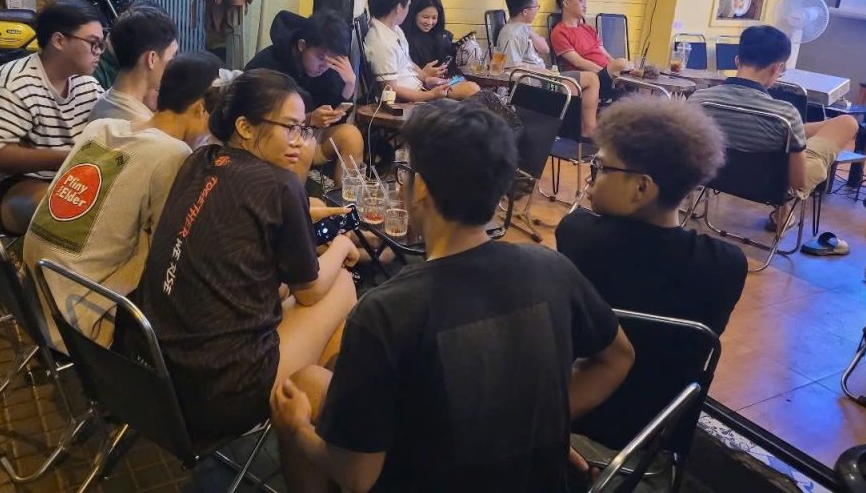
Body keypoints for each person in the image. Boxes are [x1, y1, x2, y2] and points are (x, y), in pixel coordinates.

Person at [271, 102, 635, 493]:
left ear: (421, 188)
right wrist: (542, 423)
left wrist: (296, 428)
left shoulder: (385, 311)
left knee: (306, 388)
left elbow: (356, 477)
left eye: (406, 172)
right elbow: (618, 358)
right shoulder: (553, 268)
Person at [135, 69, 358, 441]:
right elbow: (310, 291)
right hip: (220, 393)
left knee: (288, 293)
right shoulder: (281, 185)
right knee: (343, 284)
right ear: (245, 127)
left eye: (303, 129)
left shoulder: (200, 160)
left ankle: (314, 400)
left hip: (152, 374)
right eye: (290, 127)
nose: (300, 142)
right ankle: (320, 415)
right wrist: (343, 246)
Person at [556, 95, 747, 451]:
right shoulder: (727, 263)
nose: (591, 181)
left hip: (577, 418)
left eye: (601, 168)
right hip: (656, 438)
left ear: (641, 187)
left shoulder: (577, 233)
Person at [24, 51, 223, 350]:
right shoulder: (173, 153)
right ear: (200, 109)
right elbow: (170, 250)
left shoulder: (101, 127)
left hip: (30, 296)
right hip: (77, 321)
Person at [688, 25, 859, 254]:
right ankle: (785, 207)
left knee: (802, 132)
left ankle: (796, 144)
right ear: (776, 68)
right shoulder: (785, 114)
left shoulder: (699, 100)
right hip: (772, 183)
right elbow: (797, 182)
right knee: (847, 123)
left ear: (738, 60)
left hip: (714, 174)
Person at [0, 0, 105, 235]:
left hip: (67, 177)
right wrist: (65, 159)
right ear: (59, 41)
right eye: (93, 43)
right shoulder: (10, 86)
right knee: (73, 212)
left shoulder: (86, 83)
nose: (99, 52)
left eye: (101, 44)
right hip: (10, 185)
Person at [246, 9, 364, 186]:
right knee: (304, 145)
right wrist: (308, 119)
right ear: (302, 45)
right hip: (272, 133)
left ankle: (344, 199)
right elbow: (259, 119)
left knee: (351, 136)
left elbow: (335, 121)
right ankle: (294, 199)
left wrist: (349, 85)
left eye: (332, 60)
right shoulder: (268, 64)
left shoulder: (328, 68)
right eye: (320, 58)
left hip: (307, 131)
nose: (324, 66)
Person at [498, 0, 603, 138]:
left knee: (586, 81)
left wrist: (529, 31)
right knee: (586, 81)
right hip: (536, 84)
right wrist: (545, 73)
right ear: (525, 11)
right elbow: (512, 68)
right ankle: (575, 132)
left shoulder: (523, 28)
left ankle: (581, 131)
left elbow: (545, 49)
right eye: (536, 6)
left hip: (543, 77)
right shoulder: (512, 34)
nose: (537, 10)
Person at [363, 0, 479, 102]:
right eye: (408, 5)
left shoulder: (394, 29)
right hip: (412, 101)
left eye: (434, 17)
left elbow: (409, 63)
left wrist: (426, 79)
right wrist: (432, 95)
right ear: (398, 8)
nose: (409, 10)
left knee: (476, 92)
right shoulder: (382, 43)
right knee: (477, 97)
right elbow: (390, 90)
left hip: (420, 88)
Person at [88, 4, 179, 122]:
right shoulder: (141, 126)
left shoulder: (103, 102)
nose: (173, 65)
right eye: (172, 57)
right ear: (151, 59)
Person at [550, 0, 630, 102]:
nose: (585, 5)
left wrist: (618, 70)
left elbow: (606, 55)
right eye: (581, 1)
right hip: (590, 75)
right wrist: (607, 72)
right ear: (566, 3)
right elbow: (578, 62)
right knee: (623, 65)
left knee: (636, 70)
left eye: (585, 2)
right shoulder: (559, 32)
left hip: (609, 73)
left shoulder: (589, 29)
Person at [402, 0, 454, 70]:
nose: (429, 22)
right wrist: (423, 73)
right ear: (413, 14)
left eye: (434, 18)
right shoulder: (402, 36)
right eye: (425, 17)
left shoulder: (443, 37)